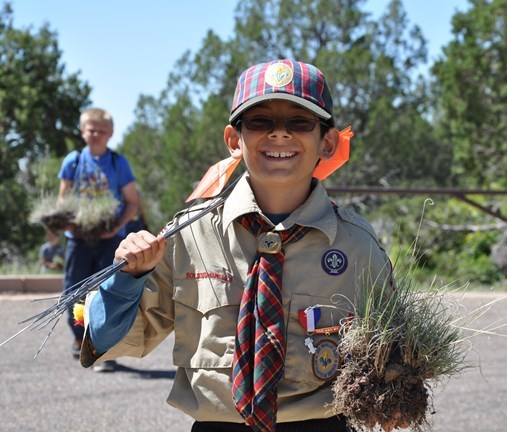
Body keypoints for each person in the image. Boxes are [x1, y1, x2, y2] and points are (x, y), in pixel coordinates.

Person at [79, 59, 393, 431]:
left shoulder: (358, 245)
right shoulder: (187, 237)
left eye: (299, 122)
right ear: (234, 139)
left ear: (327, 141)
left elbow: (392, 358)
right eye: (260, 122)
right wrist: (126, 281)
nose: (280, 135)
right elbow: (111, 342)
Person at [58, 108, 139, 372]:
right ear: (82, 131)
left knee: (106, 292)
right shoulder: (73, 161)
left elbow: (131, 202)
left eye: (101, 131)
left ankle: (104, 349)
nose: (95, 135)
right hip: (79, 239)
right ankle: (79, 337)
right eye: (90, 130)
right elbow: (63, 200)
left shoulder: (118, 163)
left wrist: (115, 226)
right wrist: (71, 222)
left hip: (109, 239)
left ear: (110, 133)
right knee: (74, 290)